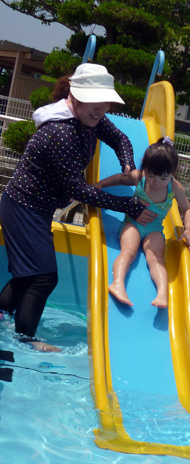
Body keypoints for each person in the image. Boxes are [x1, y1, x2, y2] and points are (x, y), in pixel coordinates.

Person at [0, 63, 156, 349]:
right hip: (24, 206)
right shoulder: (62, 132)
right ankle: (26, 340)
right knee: (43, 278)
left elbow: (120, 138)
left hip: (35, 207)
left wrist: (127, 166)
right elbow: (78, 190)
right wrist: (128, 205)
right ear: (76, 96)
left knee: (29, 275)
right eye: (93, 104)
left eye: (103, 104)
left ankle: (1, 313)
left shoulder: (89, 118)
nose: (99, 110)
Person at [95, 137, 190, 308]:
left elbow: (187, 209)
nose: (156, 181)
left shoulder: (175, 188)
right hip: (133, 224)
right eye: (151, 175)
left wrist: (189, 230)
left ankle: (162, 293)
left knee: (156, 259)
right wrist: (100, 185)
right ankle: (117, 283)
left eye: (163, 178)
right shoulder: (140, 178)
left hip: (154, 229)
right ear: (144, 168)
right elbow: (120, 179)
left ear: (173, 171)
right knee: (129, 251)